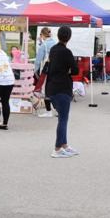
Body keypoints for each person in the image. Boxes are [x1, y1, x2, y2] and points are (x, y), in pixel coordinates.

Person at [46, 25, 80, 158]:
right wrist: (68, 70)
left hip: (52, 87)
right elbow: (75, 70)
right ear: (69, 37)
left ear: (58, 35)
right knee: (63, 119)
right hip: (62, 88)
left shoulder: (53, 49)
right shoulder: (67, 52)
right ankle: (57, 148)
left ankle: (64, 144)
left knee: (62, 118)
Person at [35, 26, 56, 117]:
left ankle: (48, 112)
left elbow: (38, 60)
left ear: (43, 35)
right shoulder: (55, 43)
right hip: (55, 69)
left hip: (46, 69)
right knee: (54, 90)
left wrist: (35, 70)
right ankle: (59, 110)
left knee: (45, 90)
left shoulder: (44, 45)